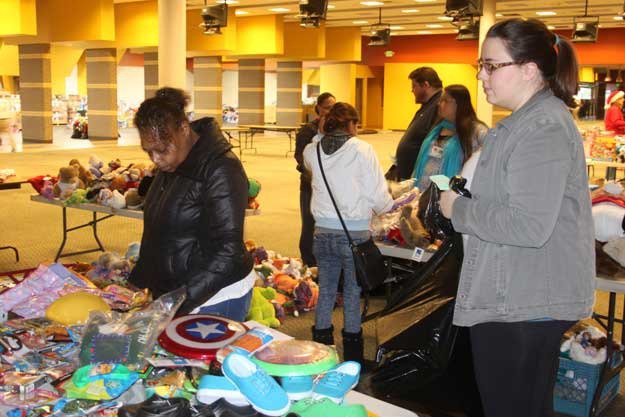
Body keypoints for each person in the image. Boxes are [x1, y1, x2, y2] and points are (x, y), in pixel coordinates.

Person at [439, 19, 595, 417]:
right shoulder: (526, 123)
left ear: (529, 69)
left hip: (523, 303)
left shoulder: (542, 127)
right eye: (481, 64)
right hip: (519, 295)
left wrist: (459, 209)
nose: (482, 75)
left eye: (492, 66)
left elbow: (528, 225)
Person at [129, 87, 254, 320]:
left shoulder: (222, 169)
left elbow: (228, 252)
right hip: (178, 293)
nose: (156, 159)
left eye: (162, 150)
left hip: (216, 295)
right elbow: (157, 231)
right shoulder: (172, 163)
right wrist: (138, 281)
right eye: (149, 152)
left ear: (184, 129)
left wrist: (177, 301)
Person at [303, 102, 393, 364]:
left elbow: (313, 148)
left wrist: (321, 132)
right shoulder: (363, 150)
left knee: (328, 289)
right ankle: (353, 357)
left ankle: (319, 354)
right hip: (353, 234)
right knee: (353, 293)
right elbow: (378, 195)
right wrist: (389, 206)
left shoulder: (314, 150)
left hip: (321, 232)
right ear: (352, 124)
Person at [412, 84, 487, 191]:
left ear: (458, 103)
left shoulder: (477, 132)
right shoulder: (438, 128)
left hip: (451, 195)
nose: (439, 104)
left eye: (444, 100)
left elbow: (484, 167)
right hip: (425, 191)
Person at [294, 92, 336, 267]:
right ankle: (309, 264)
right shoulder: (308, 131)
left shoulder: (335, 131)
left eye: (333, 107)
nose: (330, 111)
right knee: (310, 226)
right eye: (327, 107)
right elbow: (300, 158)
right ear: (318, 108)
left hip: (331, 187)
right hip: (310, 187)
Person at [387, 67, 443, 181]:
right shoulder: (427, 105)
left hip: (416, 175)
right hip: (406, 171)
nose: (412, 90)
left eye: (414, 86)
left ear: (426, 85)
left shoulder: (439, 106)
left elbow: (436, 144)